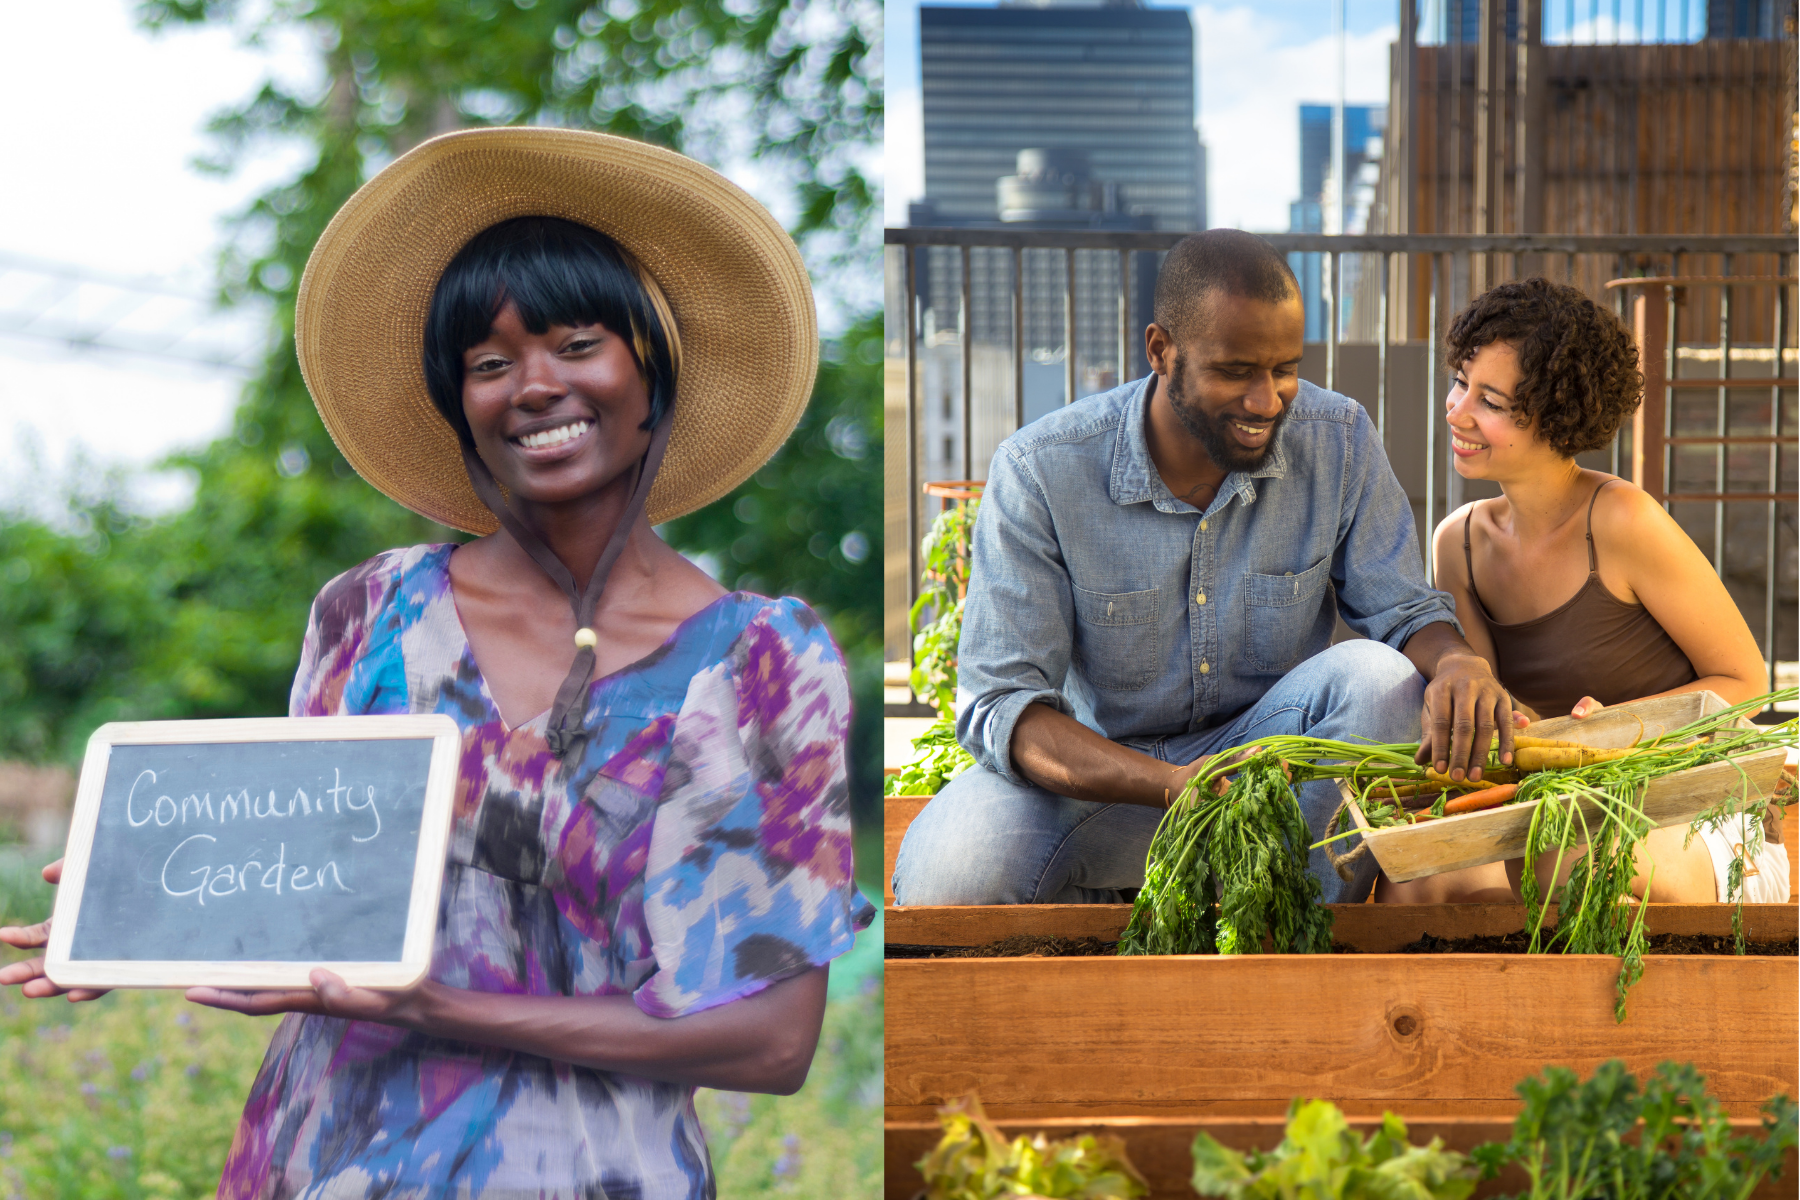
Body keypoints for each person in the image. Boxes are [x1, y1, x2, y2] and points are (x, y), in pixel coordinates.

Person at [0, 127, 872, 1197]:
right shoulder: (370, 614)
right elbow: (304, 890)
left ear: (654, 372)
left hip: (590, 1173)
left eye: (577, 343)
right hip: (326, 1157)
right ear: (461, 403)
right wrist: (128, 921)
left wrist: (437, 1006)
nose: (535, 386)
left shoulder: (762, 663)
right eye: (490, 364)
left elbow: (769, 1041)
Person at [890, 229, 1517, 908]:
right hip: (1099, 785)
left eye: (1284, 368)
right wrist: (1170, 784)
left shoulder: (1337, 439)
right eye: (1236, 370)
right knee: (948, 880)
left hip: (1276, 784)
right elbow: (1002, 704)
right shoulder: (1042, 470)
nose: (1267, 399)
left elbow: (1402, 612)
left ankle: (1283, 930)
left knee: (1381, 682)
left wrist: (1459, 664)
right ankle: (1139, 914)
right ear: (1162, 351)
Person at [1384, 275, 1787, 905]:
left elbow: (1743, 683)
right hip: (1543, 812)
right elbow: (1490, 702)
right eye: (1461, 382)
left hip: (1692, 811)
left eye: (1491, 401)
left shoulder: (1623, 521)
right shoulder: (1457, 544)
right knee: (1422, 889)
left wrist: (1621, 732)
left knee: (1566, 861)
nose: (1457, 410)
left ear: (1559, 414)